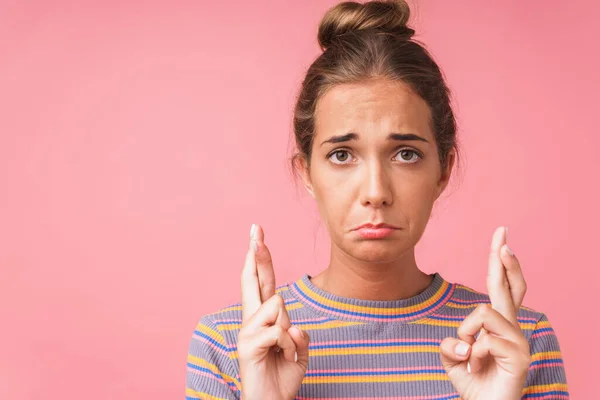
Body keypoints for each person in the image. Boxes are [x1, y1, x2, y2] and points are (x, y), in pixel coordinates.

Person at [185, 0, 569, 399]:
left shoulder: (516, 343)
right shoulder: (230, 345)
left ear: (443, 171)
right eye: (342, 155)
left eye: (406, 154)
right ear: (307, 173)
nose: (375, 193)